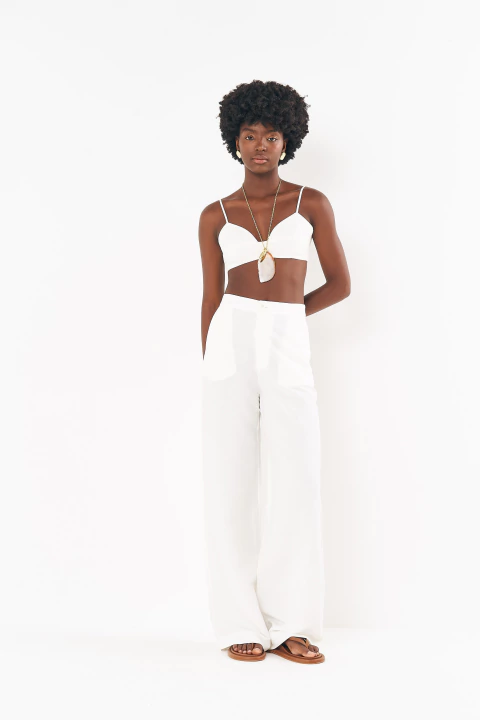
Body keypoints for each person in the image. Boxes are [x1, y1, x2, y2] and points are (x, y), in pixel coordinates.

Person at [198, 80, 351, 663]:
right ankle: (238, 620)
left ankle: (292, 624)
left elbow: (340, 283)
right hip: (229, 343)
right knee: (229, 480)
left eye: (271, 136)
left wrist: (286, 317)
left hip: (287, 339)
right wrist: (212, 358)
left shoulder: (312, 203)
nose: (260, 146)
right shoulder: (215, 215)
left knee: (297, 478)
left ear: (288, 141)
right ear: (234, 141)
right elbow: (210, 297)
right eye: (249, 135)